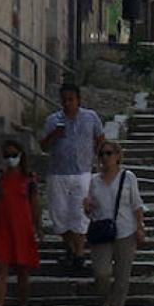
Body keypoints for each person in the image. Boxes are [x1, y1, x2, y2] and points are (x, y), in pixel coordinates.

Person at [38, 82, 106, 272]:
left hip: (82, 173)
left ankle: (79, 253)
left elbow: (100, 139)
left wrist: (99, 159)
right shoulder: (53, 120)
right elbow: (43, 145)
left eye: (71, 100)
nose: (67, 104)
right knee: (60, 214)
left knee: (80, 214)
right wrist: (55, 134)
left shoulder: (90, 117)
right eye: (64, 100)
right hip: (57, 174)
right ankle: (69, 249)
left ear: (78, 100)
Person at [85, 139, 146, 306]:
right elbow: (90, 207)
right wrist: (86, 207)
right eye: (102, 154)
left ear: (118, 156)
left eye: (109, 153)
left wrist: (140, 226)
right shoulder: (94, 180)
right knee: (101, 272)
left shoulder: (128, 177)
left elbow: (136, 203)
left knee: (122, 273)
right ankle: (106, 302)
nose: (105, 157)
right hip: (102, 230)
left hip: (125, 229)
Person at [0, 139, 41, 306]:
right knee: (1, 268)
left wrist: (38, 225)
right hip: (2, 226)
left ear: (21, 155)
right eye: (6, 155)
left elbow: (34, 203)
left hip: (23, 228)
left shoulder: (29, 178)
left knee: (23, 271)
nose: (10, 158)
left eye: (13, 155)